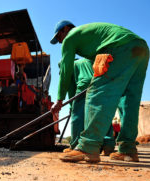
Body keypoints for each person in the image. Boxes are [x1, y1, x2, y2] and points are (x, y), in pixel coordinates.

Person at [50, 20, 149, 163]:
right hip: (141, 47)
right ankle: (128, 150)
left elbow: (66, 70)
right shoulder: (89, 35)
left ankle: (88, 147)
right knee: (128, 100)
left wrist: (59, 100)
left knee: (96, 93)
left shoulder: (70, 37)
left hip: (118, 47)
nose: (60, 42)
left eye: (59, 38)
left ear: (65, 29)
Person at [62, 58, 115, 155]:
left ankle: (75, 145)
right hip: (101, 83)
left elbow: (71, 90)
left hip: (85, 84)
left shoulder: (69, 66)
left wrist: (72, 107)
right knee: (102, 112)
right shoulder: (88, 60)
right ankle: (108, 145)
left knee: (77, 115)